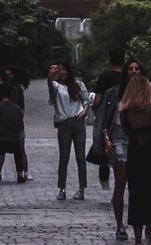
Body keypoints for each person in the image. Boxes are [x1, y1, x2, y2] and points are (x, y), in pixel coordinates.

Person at [119, 61, 151, 245]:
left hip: (135, 155)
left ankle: (138, 239)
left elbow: (125, 131)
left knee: (136, 195)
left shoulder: (125, 112)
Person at [48, 61, 91, 201]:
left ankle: (82, 188)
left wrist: (84, 112)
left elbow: (86, 101)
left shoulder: (78, 84)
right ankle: (62, 188)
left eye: (63, 69)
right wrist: (50, 76)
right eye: (58, 70)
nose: (61, 72)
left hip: (78, 122)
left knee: (80, 157)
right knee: (64, 157)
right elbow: (50, 85)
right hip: (64, 123)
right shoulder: (56, 86)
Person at [92, 49, 125, 190]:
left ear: (110, 59)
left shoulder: (104, 76)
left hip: (106, 116)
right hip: (122, 118)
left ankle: (104, 178)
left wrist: (97, 111)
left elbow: (98, 99)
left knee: (103, 144)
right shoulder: (127, 77)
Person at [0, 80, 26, 182]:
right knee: (19, 151)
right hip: (14, 138)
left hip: (0, 137)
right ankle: (20, 173)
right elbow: (19, 123)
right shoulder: (16, 108)